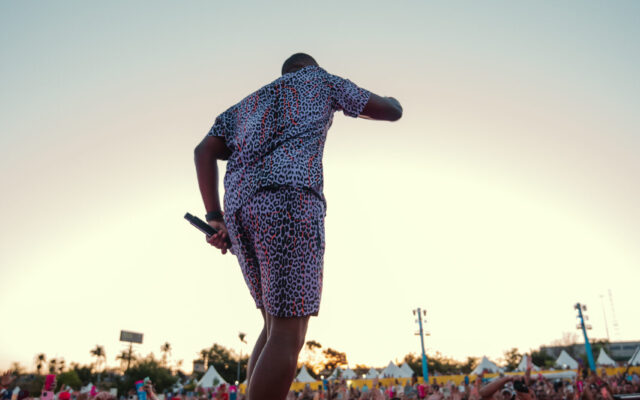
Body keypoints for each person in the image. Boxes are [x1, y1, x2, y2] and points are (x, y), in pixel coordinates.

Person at [195, 52, 402, 399]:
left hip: (241, 210)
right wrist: (394, 100)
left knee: (273, 326)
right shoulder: (320, 80)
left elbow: (203, 151)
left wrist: (214, 216)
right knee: (289, 333)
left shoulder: (245, 106)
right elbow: (390, 111)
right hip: (290, 200)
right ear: (311, 68)